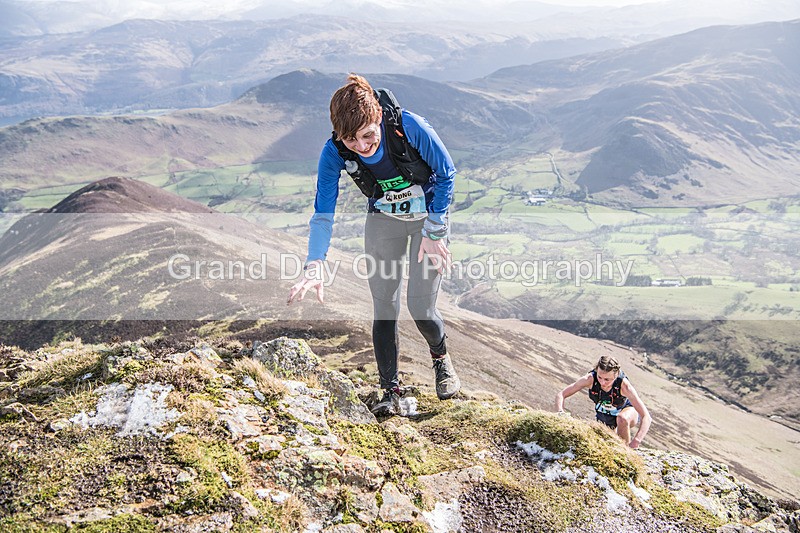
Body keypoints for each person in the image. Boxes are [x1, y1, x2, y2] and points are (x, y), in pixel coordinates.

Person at [287, 73, 460, 416]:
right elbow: (323, 213)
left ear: (378, 117)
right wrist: (314, 262)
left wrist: (436, 230)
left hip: (427, 220)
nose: (362, 147)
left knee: (421, 308)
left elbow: (446, 173)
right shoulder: (333, 151)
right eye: (351, 141)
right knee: (384, 307)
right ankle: (390, 390)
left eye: (367, 136)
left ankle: (441, 359)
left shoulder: (409, 126)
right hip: (383, 221)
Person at [555, 355, 652, 449]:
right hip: (604, 416)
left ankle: (626, 452)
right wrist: (560, 412)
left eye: (607, 379)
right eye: (600, 377)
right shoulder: (589, 379)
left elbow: (646, 417)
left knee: (622, 419)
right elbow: (561, 395)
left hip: (627, 410)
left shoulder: (624, 386)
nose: (602, 383)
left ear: (616, 374)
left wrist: (636, 441)